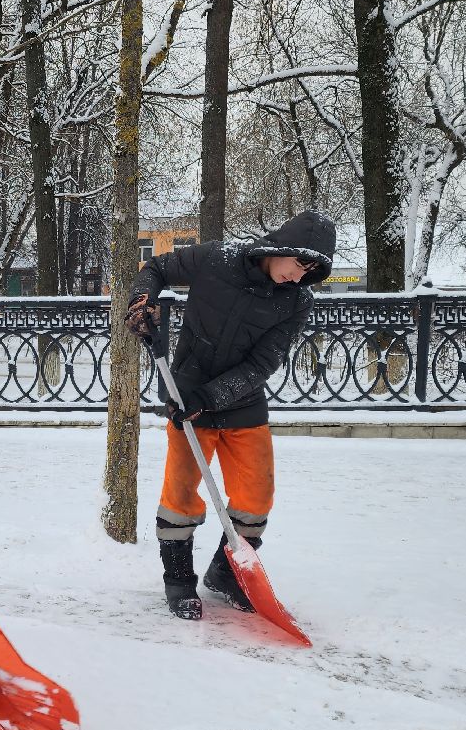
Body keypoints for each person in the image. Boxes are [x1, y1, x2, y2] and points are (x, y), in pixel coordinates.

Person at [124, 210, 333, 620]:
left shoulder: (297, 300)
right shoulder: (216, 259)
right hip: (186, 394)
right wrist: (143, 300)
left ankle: (226, 573)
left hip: (242, 401)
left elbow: (263, 363)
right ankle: (178, 581)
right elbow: (158, 267)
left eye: (310, 271)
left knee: (255, 498)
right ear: (283, 249)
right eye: (299, 265)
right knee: (180, 494)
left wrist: (212, 396)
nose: (299, 276)